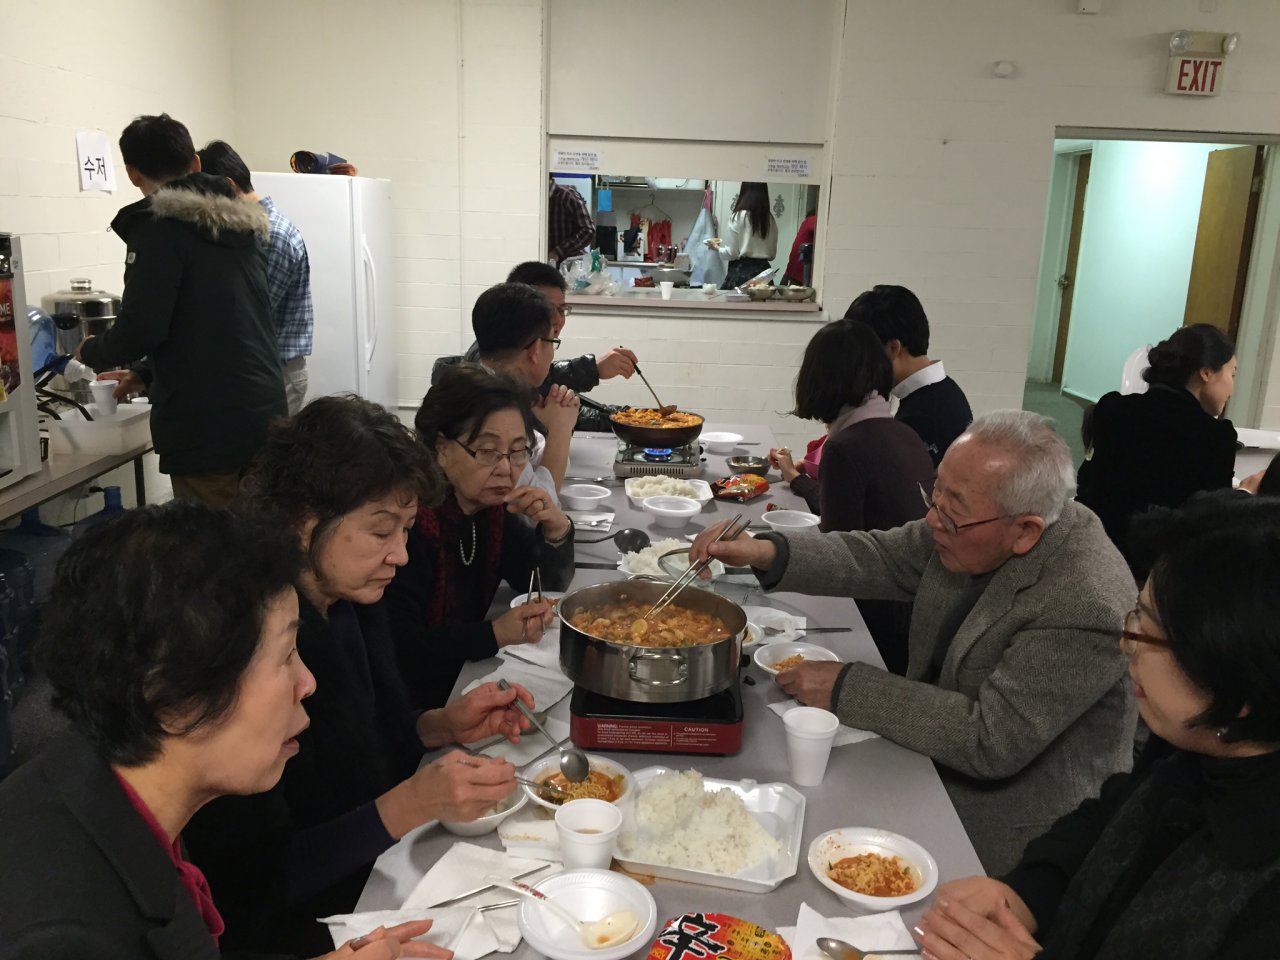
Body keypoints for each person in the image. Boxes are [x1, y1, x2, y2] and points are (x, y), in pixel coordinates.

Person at [691, 410, 1136, 874]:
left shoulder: (1084, 600)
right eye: (934, 494)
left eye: (951, 512)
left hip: (1013, 831)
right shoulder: (973, 522)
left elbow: (990, 739)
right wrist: (765, 550)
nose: (932, 519)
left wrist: (846, 687)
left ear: (1026, 531)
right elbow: (881, 556)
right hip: (929, 756)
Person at [0, 501, 437, 959]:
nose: (307, 683)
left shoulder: (109, 788)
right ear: (172, 696)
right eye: (286, 655)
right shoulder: (66, 935)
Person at [184, 396, 532, 956]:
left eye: (407, 530)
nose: (401, 554)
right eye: (381, 531)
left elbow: (370, 744)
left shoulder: (350, 604)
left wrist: (441, 726)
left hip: (376, 868)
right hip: (301, 926)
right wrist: (408, 805)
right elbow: (249, 881)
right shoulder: (252, 653)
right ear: (304, 522)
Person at [913, 495, 1280, 960]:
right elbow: (1108, 821)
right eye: (1138, 613)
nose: (1127, 643)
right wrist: (1026, 894)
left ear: (1240, 682)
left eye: (1149, 633)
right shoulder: (1193, 744)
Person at [77, 114, 287, 508]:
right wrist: (146, 373)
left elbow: (140, 329)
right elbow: (216, 322)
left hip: (206, 424)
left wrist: (89, 351)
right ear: (195, 162)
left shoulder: (158, 229)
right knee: (263, 533)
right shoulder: (241, 226)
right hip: (264, 415)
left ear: (132, 173)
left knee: (212, 539)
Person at [383, 364, 574, 711]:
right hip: (414, 706)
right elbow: (402, 645)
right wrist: (494, 634)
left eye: (518, 451)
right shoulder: (409, 524)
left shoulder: (488, 510)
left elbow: (540, 584)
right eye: (487, 451)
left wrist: (556, 529)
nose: (506, 468)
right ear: (441, 448)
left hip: (461, 680)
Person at [768, 319, 934, 675]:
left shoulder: (846, 446)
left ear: (818, 380)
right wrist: (800, 481)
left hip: (883, 627)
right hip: (920, 613)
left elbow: (837, 555)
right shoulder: (902, 432)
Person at [1076, 324, 1238, 553]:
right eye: (1232, 374)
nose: (1232, 388)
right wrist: (1246, 495)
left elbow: (1091, 486)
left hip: (1096, 552)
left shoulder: (1112, 408)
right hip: (1162, 565)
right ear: (1206, 373)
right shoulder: (1215, 436)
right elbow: (1212, 524)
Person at [449, 262, 637, 433]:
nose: (556, 320)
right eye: (546, 309)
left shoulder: (516, 366)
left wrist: (622, 416)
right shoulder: (489, 371)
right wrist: (592, 369)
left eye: (562, 310)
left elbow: (551, 398)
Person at [198, 139, 314, 415]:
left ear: (229, 187)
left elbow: (251, 318)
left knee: (265, 445)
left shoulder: (268, 235)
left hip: (275, 373)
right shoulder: (251, 232)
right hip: (264, 370)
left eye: (207, 199)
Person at [433, 282, 579, 491]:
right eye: (552, 342)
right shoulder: (493, 406)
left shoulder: (479, 386)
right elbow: (537, 502)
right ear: (536, 349)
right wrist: (560, 429)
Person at [846, 285, 972, 466]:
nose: (861, 365)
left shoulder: (919, 417)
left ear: (893, 348)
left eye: (864, 354)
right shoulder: (946, 389)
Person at [707, 181, 779, 289]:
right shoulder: (770, 220)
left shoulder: (738, 216)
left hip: (742, 274)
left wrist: (716, 248)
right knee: (763, 300)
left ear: (744, 191)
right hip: (764, 276)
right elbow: (772, 255)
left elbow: (732, 253)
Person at [547, 177, 595, 266]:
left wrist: (557, 252)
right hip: (548, 265)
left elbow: (588, 230)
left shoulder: (566, 195)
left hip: (572, 266)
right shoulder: (538, 198)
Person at [782, 208, 817, 286]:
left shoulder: (807, 221)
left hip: (792, 277)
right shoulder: (813, 220)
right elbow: (820, 228)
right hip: (796, 279)